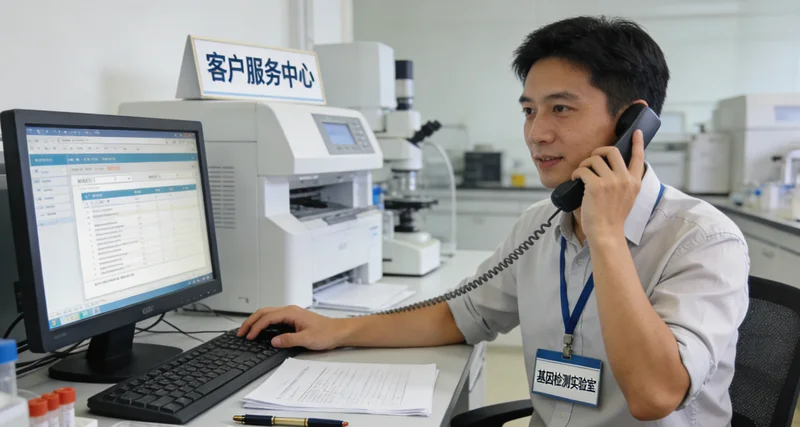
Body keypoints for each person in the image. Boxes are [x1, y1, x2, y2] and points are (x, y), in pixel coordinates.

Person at [238, 16, 749, 426]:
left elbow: (655, 395)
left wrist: (607, 236)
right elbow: (460, 315)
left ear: (631, 125)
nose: (537, 133)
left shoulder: (702, 239)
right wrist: (338, 329)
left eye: (561, 109)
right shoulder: (540, 224)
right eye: (529, 110)